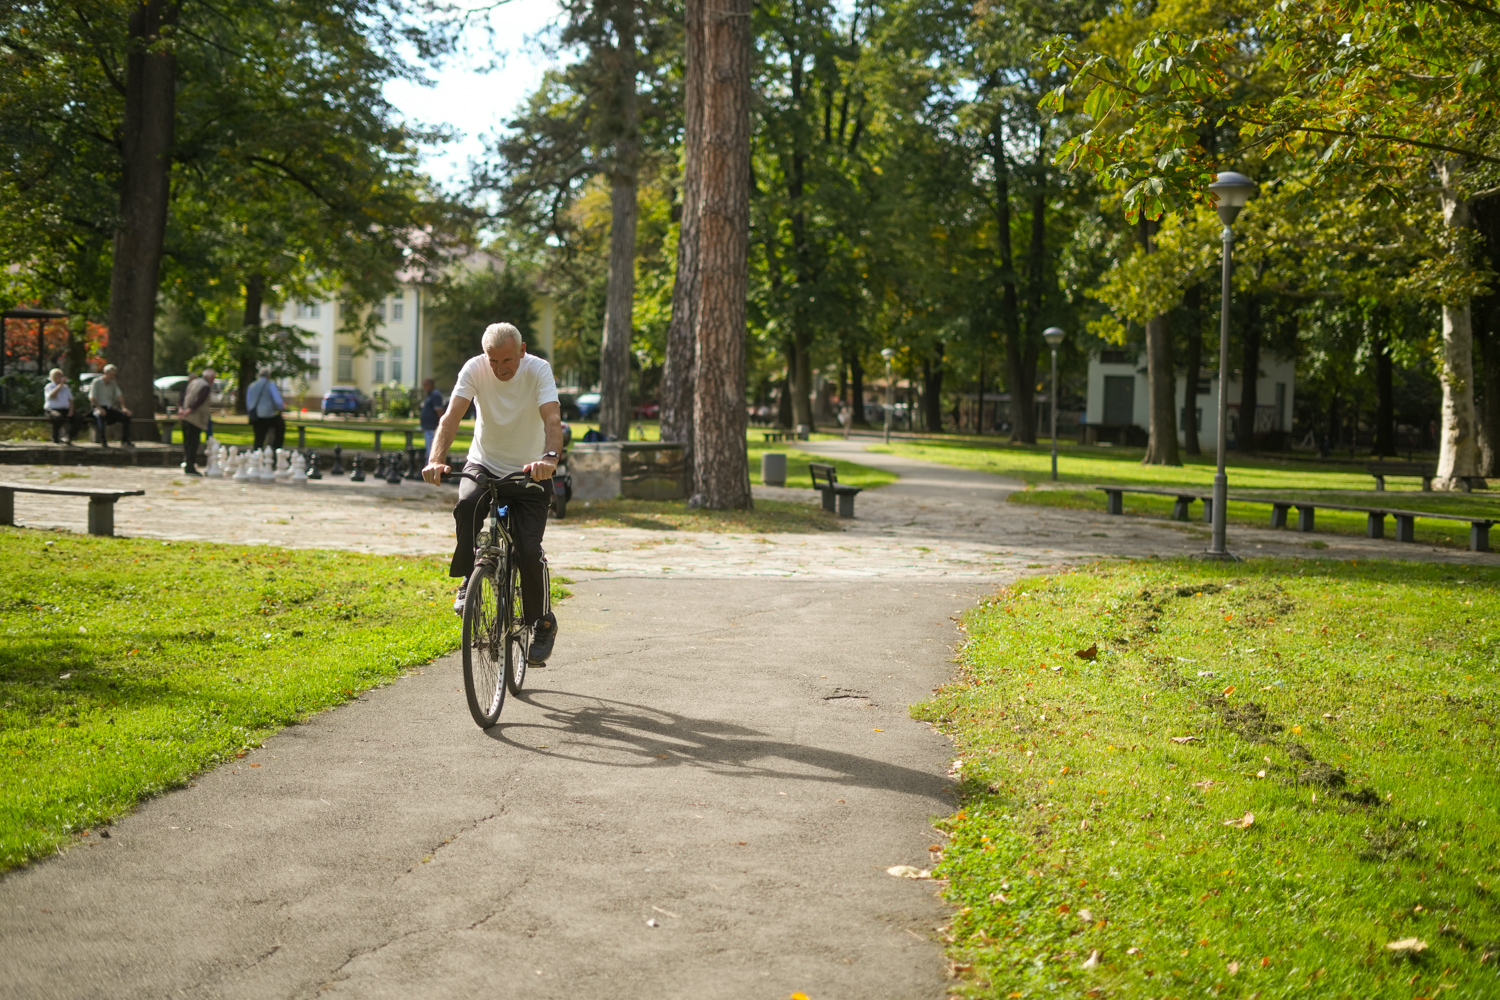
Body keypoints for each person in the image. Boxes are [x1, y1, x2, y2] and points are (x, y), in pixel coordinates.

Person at [423, 323, 562, 664]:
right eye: (493, 360)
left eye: (507, 360)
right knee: (468, 503)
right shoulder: (474, 368)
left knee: (528, 549)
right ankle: (470, 576)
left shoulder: (538, 370)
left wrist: (550, 458)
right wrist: (436, 460)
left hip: (530, 470)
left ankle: (542, 622)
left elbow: (553, 419)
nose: (500, 369)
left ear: (523, 350)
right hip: (484, 463)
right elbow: (451, 417)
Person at [177, 368, 215, 476]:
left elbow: (183, 396)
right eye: (213, 378)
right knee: (193, 443)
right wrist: (188, 411)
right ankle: (190, 466)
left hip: (185, 416)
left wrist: (181, 409)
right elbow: (199, 400)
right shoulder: (205, 386)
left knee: (187, 442)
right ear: (209, 378)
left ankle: (188, 464)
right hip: (194, 418)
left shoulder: (193, 382)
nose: (213, 381)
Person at [87, 363, 133, 447]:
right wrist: (100, 408)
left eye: (114, 375)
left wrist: (124, 408)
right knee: (100, 415)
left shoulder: (113, 383)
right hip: (97, 408)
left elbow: (120, 395)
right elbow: (92, 397)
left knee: (126, 416)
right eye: (111, 375)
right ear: (106, 373)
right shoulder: (96, 382)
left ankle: (125, 440)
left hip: (109, 408)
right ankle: (103, 440)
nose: (113, 377)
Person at [245, 367, 286, 450]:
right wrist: (280, 408)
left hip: (256, 415)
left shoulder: (252, 386)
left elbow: (248, 401)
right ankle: (276, 448)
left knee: (258, 437)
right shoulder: (270, 385)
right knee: (280, 426)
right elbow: (277, 400)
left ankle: (257, 453)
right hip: (268, 414)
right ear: (268, 375)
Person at [44, 369, 75, 445]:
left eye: (61, 375)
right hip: (52, 409)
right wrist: (60, 385)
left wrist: (71, 411)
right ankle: (55, 436)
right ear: (53, 377)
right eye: (57, 375)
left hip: (65, 409)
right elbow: (52, 396)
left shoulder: (66, 388)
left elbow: (71, 400)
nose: (60, 377)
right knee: (58, 417)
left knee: (79, 418)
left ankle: (68, 437)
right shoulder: (49, 386)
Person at [418, 377, 445, 455]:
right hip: (427, 428)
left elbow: (439, 411)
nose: (424, 388)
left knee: (431, 451)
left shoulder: (436, 395)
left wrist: (441, 425)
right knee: (428, 449)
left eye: (426, 385)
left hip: (432, 428)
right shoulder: (429, 395)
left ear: (432, 385)